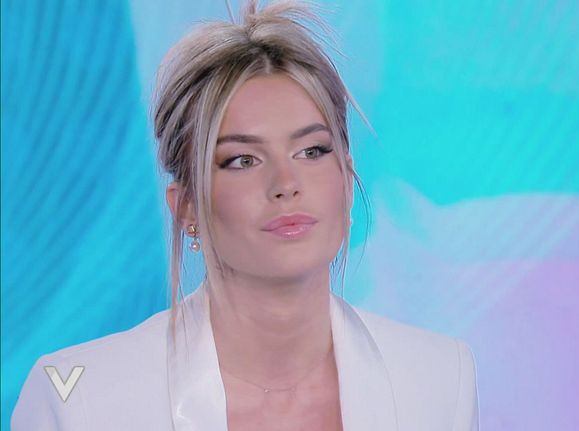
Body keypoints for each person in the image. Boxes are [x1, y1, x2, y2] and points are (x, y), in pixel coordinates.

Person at [11, 1, 480, 429]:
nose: (286, 183)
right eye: (243, 160)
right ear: (186, 206)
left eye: (312, 151)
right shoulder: (80, 401)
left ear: (346, 177)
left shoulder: (440, 378)